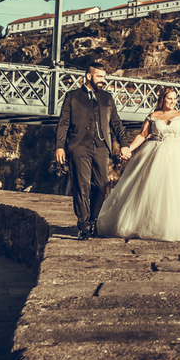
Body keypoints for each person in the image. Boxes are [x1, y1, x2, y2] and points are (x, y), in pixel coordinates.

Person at [96, 86, 180, 242]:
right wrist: (128, 149)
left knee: (179, 191)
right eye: (170, 98)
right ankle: (150, 225)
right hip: (155, 154)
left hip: (178, 156)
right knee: (152, 189)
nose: (173, 102)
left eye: (175, 99)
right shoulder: (153, 116)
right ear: (162, 99)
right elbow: (142, 135)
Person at [53, 62, 133, 239]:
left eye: (104, 77)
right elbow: (63, 123)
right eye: (99, 76)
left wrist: (124, 143)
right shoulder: (72, 97)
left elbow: (116, 123)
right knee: (81, 186)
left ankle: (94, 220)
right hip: (79, 146)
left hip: (102, 147)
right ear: (89, 76)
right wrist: (60, 146)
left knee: (101, 185)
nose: (103, 80)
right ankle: (83, 225)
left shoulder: (107, 98)